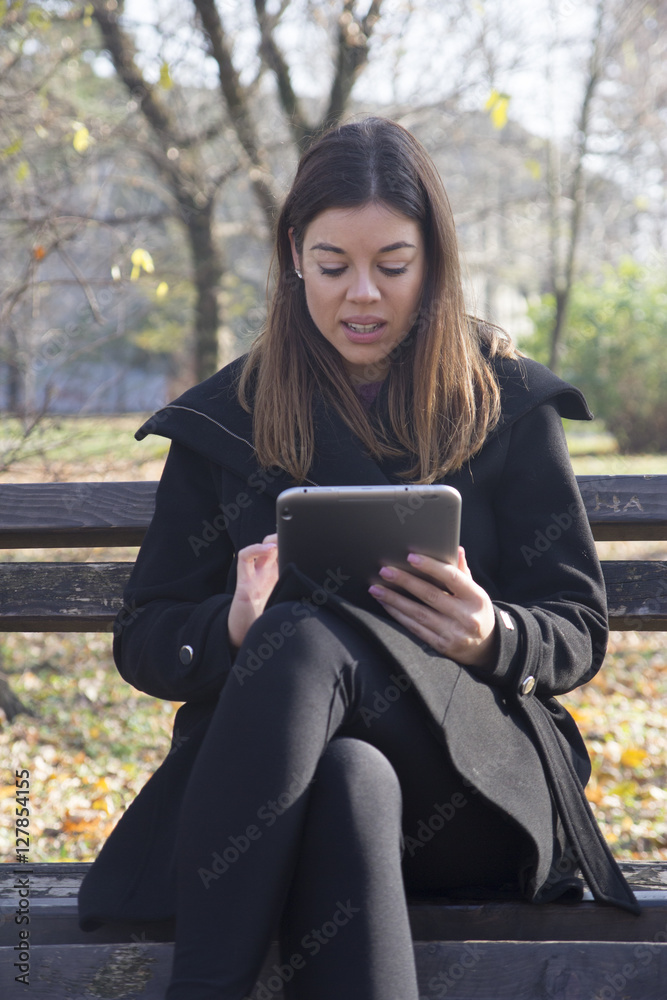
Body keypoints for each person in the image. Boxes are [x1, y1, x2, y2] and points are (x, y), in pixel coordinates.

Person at [78, 117, 638, 999]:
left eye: (393, 265)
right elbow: (147, 639)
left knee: (301, 639)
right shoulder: (228, 417)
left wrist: (492, 632)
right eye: (334, 266)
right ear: (295, 254)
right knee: (346, 773)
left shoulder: (503, 402)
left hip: (474, 787)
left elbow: (575, 628)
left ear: (434, 263)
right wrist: (229, 625)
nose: (362, 296)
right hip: (281, 795)